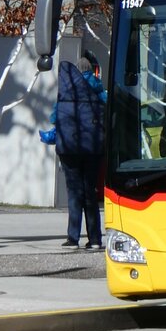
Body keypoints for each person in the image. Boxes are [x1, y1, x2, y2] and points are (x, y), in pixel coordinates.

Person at [54, 56, 106, 250]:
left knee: (74, 193)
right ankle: (95, 239)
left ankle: (73, 238)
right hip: (93, 149)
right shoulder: (100, 92)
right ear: (92, 71)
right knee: (90, 194)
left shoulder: (66, 91)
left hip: (70, 149)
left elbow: (54, 117)